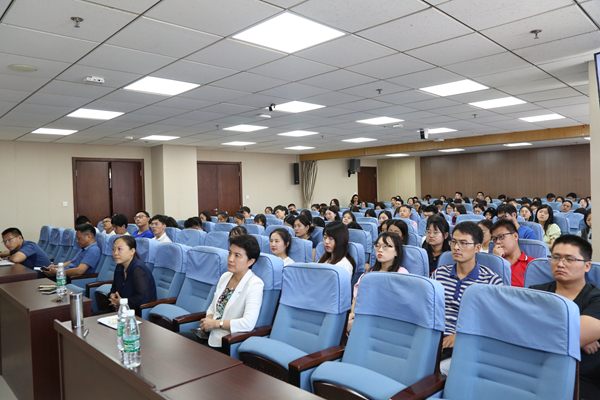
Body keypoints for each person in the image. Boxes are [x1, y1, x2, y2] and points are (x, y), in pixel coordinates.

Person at [529, 235, 600, 399]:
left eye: (569, 259)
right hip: (534, 369)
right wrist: (575, 338)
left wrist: (575, 338)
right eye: (555, 257)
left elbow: (573, 337)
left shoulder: (596, 299)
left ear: (587, 266)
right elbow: (517, 331)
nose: (560, 264)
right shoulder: (534, 292)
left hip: (580, 378)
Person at [432, 221, 503, 375]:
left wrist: (461, 336)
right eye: (454, 242)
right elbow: (428, 309)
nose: (456, 247)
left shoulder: (491, 281)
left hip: (465, 342)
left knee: (433, 369)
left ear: (477, 247)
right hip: (433, 338)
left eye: (463, 243)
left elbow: (493, 323)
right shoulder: (439, 274)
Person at [200, 235, 264, 348]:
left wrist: (216, 324)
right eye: (230, 253)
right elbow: (213, 306)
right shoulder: (225, 276)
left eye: (237, 255)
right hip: (209, 334)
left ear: (250, 261)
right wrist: (208, 320)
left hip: (227, 341)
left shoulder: (255, 284)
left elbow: (248, 323)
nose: (230, 259)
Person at [347, 232, 408, 332]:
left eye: (386, 246)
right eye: (378, 246)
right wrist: (353, 314)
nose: (380, 249)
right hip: (364, 315)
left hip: (386, 321)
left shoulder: (402, 274)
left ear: (396, 252)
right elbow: (357, 298)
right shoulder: (368, 273)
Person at [102, 236, 157, 315]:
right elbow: (114, 289)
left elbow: (142, 297)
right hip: (122, 311)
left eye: (120, 249)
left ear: (132, 251)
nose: (115, 253)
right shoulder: (120, 266)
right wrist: (112, 296)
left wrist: (122, 302)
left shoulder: (138, 269)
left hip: (137, 314)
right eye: (113, 249)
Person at [490, 219, 532, 287]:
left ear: (515, 236)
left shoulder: (532, 264)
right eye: (494, 239)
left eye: (502, 236)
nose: (497, 242)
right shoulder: (491, 264)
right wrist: (495, 261)